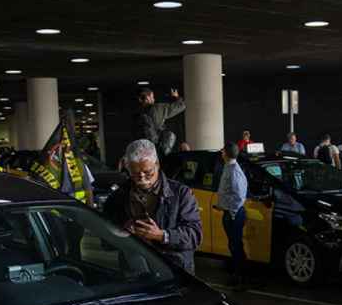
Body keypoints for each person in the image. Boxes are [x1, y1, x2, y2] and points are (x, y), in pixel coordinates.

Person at [102, 140, 202, 273]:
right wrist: (121, 233)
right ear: (127, 167)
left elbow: (195, 236)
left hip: (174, 272)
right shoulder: (117, 198)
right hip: (134, 273)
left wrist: (162, 235)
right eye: (135, 173)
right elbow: (105, 242)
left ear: (157, 164)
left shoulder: (181, 194)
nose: (142, 178)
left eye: (148, 172)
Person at [216, 142, 248, 287]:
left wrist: (232, 212)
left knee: (235, 245)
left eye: (222, 151)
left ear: (227, 153)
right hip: (230, 212)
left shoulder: (234, 170)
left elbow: (239, 196)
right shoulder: (228, 167)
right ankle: (238, 272)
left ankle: (239, 276)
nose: (221, 153)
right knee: (233, 244)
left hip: (234, 214)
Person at [134, 87, 185, 157]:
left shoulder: (137, 113)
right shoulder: (157, 109)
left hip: (140, 149)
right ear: (148, 98)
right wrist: (176, 97)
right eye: (152, 97)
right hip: (156, 148)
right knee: (169, 135)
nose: (154, 99)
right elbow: (181, 106)